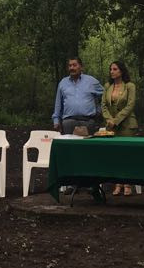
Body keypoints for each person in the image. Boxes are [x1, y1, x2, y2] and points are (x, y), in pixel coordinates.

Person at [102, 60, 138, 196]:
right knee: (116, 155)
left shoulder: (130, 86)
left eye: (115, 69)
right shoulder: (107, 86)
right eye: (111, 69)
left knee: (127, 155)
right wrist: (109, 120)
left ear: (121, 71)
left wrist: (116, 120)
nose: (112, 71)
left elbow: (130, 105)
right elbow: (103, 105)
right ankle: (118, 184)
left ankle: (128, 184)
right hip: (111, 125)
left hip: (127, 124)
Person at [52, 57, 103, 136]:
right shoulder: (63, 83)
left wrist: (99, 110)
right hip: (68, 122)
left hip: (88, 122)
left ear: (81, 67)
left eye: (74, 65)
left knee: (88, 147)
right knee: (69, 147)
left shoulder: (91, 81)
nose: (72, 68)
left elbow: (105, 96)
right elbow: (58, 104)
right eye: (70, 65)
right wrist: (56, 121)